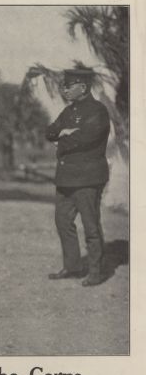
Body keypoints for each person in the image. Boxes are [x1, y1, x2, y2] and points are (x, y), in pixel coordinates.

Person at [46, 68, 110, 287]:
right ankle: (73, 267)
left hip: (88, 178)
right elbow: (50, 131)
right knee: (63, 222)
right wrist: (63, 132)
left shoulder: (98, 111)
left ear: (82, 87)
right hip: (66, 178)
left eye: (68, 86)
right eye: (64, 86)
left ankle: (96, 271)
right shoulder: (68, 111)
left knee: (91, 226)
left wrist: (63, 138)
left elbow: (85, 138)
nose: (64, 89)